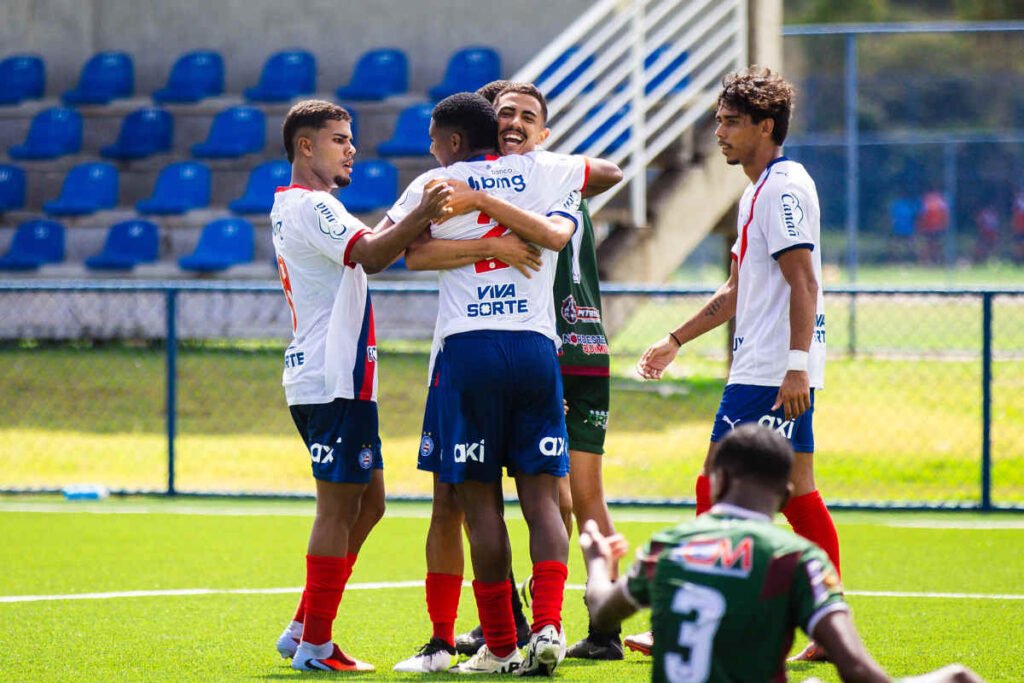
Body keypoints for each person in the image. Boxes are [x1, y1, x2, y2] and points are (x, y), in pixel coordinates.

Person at [390, 83, 624, 673]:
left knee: (478, 504)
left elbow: (400, 253)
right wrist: (496, 237)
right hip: (538, 349)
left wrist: (476, 201)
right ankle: (548, 623)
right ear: (493, 127)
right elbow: (591, 190)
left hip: (469, 351)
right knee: (548, 497)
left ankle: (497, 644)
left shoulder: (440, 181)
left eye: (528, 116)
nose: (516, 123)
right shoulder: (553, 173)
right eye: (507, 115)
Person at [633, 66, 839, 663]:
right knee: (799, 489)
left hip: (769, 372)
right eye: (718, 119)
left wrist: (796, 366)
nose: (719, 131)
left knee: (716, 480)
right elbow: (736, 291)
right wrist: (676, 339)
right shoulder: (758, 190)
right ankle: (828, 629)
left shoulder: (781, 188)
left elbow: (804, 282)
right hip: (774, 364)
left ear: (765, 127)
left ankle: (700, 612)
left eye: (731, 122)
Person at [268, 99, 452, 672]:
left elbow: (367, 248)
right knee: (338, 507)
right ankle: (316, 644)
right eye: (340, 139)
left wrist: (413, 217)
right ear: (306, 146)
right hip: (331, 377)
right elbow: (371, 254)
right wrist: (423, 211)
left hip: (333, 375)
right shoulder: (314, 205)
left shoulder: (296, 206)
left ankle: (303, 626)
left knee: (369, 503)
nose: (353, 149)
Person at [580, 424, 983, 683]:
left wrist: (599, 561)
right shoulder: (796, 558)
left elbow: (602, 611)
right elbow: (858, 670)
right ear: (787, 495)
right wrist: (948, 677)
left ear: (716, 482)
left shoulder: (668, 545)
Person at [916, 188, 949, 266]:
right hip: (936, 226)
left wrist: (920, 226)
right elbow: (945, 213)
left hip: (931, 227)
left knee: (931, 244)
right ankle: (935, 260)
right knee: (935, 244)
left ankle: (931, 261)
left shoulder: (926, 200)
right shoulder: (941, 199)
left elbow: (922, 214)